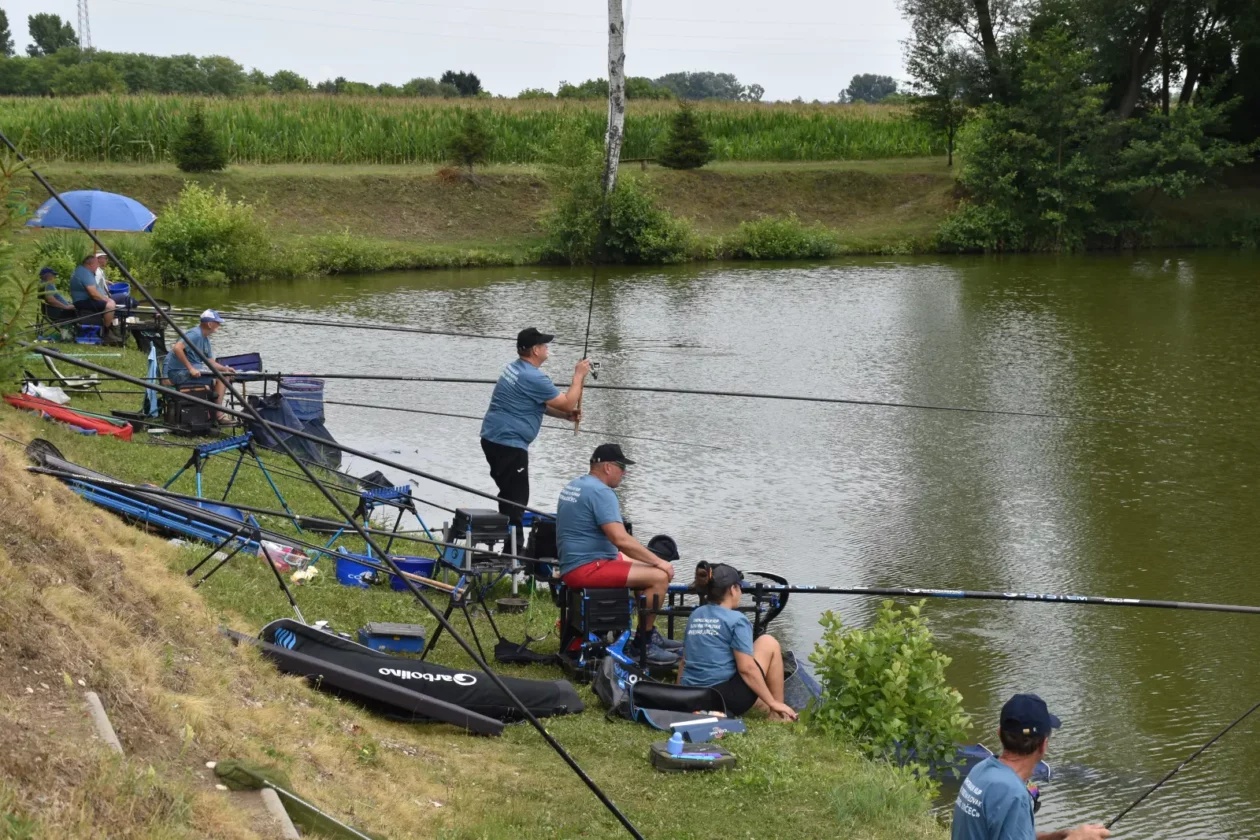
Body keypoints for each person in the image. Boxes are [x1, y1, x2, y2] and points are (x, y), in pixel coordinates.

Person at [556, 443, 682, 665]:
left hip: (574, 562)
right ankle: (644, 644)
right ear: (607, 467)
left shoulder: (575, 485)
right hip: (587, 568)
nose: (624, 472)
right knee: (660, 575)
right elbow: (620, 539)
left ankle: (648, 632)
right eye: (621, 466)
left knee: (647, 567)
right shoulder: (602, 492)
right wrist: (660, 562)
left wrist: (651, 561)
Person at [952, 694, 1110, 840]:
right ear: (1044, 744)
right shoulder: (1013, 794)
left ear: (1000, 734)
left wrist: (1055, 837)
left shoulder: (981, 770)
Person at [480, 326, 589, 538]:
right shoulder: (533, 377)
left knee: (509, 495)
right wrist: (578, 376)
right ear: (535, 350)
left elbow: (536, 404)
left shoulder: (515, 368)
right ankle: (514, 550)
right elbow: (567, 402)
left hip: (493, 438)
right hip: (508, 444)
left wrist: (564, 417)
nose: (547, 347)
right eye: (543, 344)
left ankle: (510, 544)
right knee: (517, 499)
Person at [678, 562, 797, 721]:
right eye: (740, 587)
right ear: (733, 589)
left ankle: (767, 705)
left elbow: (684, 661)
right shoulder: (737, 620)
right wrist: (773, 702)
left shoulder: (696, 614)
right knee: (768, 642)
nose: (741, 592)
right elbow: (747, 669)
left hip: (691, 694)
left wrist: (678, 695)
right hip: (719, 698)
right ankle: (778, 713)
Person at [163, 310, 236, 423]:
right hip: (179, 373)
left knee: (224, 375)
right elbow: (177, 348)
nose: (219, 325)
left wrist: (225, 369)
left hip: (189, 373)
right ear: (210, 324)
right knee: (221, 378)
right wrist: (190, 368)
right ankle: (218, 414)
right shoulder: (195, 334)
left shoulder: (205, 339)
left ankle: (211, 412)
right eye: (217, 322)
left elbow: (210, 361)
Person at [69, 253, 118, 340]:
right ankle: (106, 332)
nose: (97, 267)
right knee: (111, 305)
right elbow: (94, 294)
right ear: (91, 265)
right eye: (97, 264)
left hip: (83, 300)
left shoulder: (82, 270)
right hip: (82, 302)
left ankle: (112, 326)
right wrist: (107, 300)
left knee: (115, 302)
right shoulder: (85, 273)